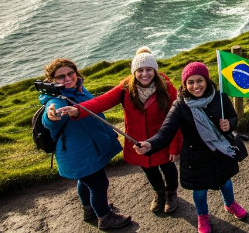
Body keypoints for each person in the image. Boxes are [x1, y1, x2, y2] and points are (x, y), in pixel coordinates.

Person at [57, 48, 182, 214]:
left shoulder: (166, 89)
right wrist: (78, 109)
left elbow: (176, 121)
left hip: (162, 141)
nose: (145, 74)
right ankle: (159, 193)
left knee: (168, 168)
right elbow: (102, 101)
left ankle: (171, 192)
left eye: (149, 69)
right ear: (134, 72)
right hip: (138, 142)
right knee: (150, 171)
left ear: (155, 70)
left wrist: (174, 147)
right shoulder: (125, 88)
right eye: (140, 70)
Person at [134, 62, 247, 233]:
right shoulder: (180, 106)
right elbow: (166, 132)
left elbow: (233, 117)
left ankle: (230, 204)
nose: (196, 86)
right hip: (196, 157)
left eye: (200, 80)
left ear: (207, 80)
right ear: (185, 85)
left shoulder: (220, 97)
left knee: (226, 182)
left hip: (221, 152)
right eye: (191, 82)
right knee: (200, 191)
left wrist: (229, 125)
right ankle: (202, 216)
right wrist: (150, 144)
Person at [41, 58, 130, 229]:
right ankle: (105, 218)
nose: (67, 78)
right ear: (52, 80)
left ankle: (89, 209)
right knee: (99, 185)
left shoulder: (77, 89)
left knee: (85, 181)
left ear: (76, 72)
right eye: (60, 77)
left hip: (86, 149)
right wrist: (51, 116)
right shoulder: (57, 100)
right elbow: (49, 118)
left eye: (70, 73)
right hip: (78, 154)